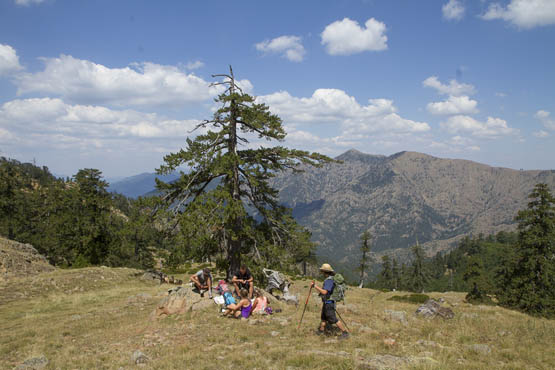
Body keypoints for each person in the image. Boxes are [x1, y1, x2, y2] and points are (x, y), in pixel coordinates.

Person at [310, 263, 349, 339]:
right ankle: (321, 331)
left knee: (333, 319)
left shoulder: (329, 280)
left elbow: (325, 292)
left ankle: (345, 332)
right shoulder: (330, 279)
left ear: (325, 272)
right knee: (323, 318)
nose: (321, 273)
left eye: (322, 271)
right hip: (326, 302)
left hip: (329, 303)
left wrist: (314, 286)